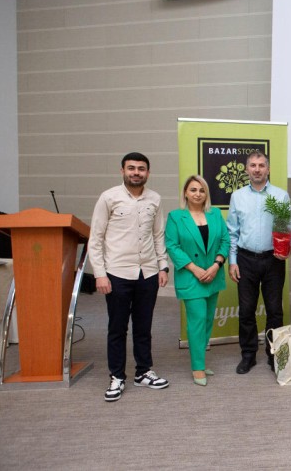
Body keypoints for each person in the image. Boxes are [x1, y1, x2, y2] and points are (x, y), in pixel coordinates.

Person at [88, 152, 170, 402]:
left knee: (143, 327)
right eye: (131, 168)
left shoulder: (155, 199)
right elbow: (96, 239)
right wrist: (100, 274)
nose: (136, 172)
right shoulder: (109, 197)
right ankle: (117, 376)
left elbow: (158, 235)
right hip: (117, 274)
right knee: (117, 327)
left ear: (148, 172)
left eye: (141, 169)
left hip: (148, 273)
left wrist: (163, 266)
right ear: (122, 170)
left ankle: (143, 372)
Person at [227, 151, 290, 375]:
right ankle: (248, 355)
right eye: (253, 165)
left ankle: (274, 355)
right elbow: (232, 232)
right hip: (245, 260)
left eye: (261, 165)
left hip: (273, 260)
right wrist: (232, 261)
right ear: (246, 169)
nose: (257, 169)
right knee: (246, 310)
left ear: (268, 169)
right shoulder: (237, 197)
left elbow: (286, 226)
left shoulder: (281, 195)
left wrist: (286, 248)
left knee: (274, 310)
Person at [165, 175, 230, 386]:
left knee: (208, 320)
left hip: (213, 274)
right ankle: (198, 367)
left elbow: (225, 240)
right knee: (197, 321)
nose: (197, 194)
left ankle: (200, 359)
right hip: (191, 276)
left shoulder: (215, 214)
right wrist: (194, 268)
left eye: (202, 190)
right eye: (193, 189)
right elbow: (172, 246)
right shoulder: (176, 217)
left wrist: (216, 265)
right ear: (185, 193)